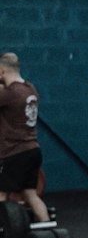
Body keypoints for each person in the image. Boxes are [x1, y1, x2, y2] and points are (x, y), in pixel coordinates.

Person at [0, 52, 50, 223]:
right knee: (30, 195)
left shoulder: (10, 93)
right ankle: (47, 232)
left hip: (14, 153)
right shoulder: (30, 89)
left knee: (1, 194)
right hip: (33, 151)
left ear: (2, 70)